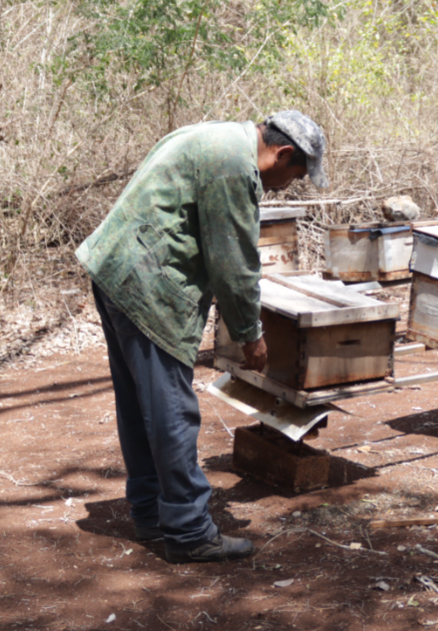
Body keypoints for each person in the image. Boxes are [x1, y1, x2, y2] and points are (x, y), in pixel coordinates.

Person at [75, 111, 329, 563]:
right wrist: (251, 335)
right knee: (172, 409)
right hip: (146, 284)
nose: (289, 186)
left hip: (115, 270)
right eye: (296, 175)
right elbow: (233, 262)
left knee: (140, 403)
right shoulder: (234, 167)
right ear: (283, 152)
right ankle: (189, 531)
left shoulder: (218, 137)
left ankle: (152, 512)